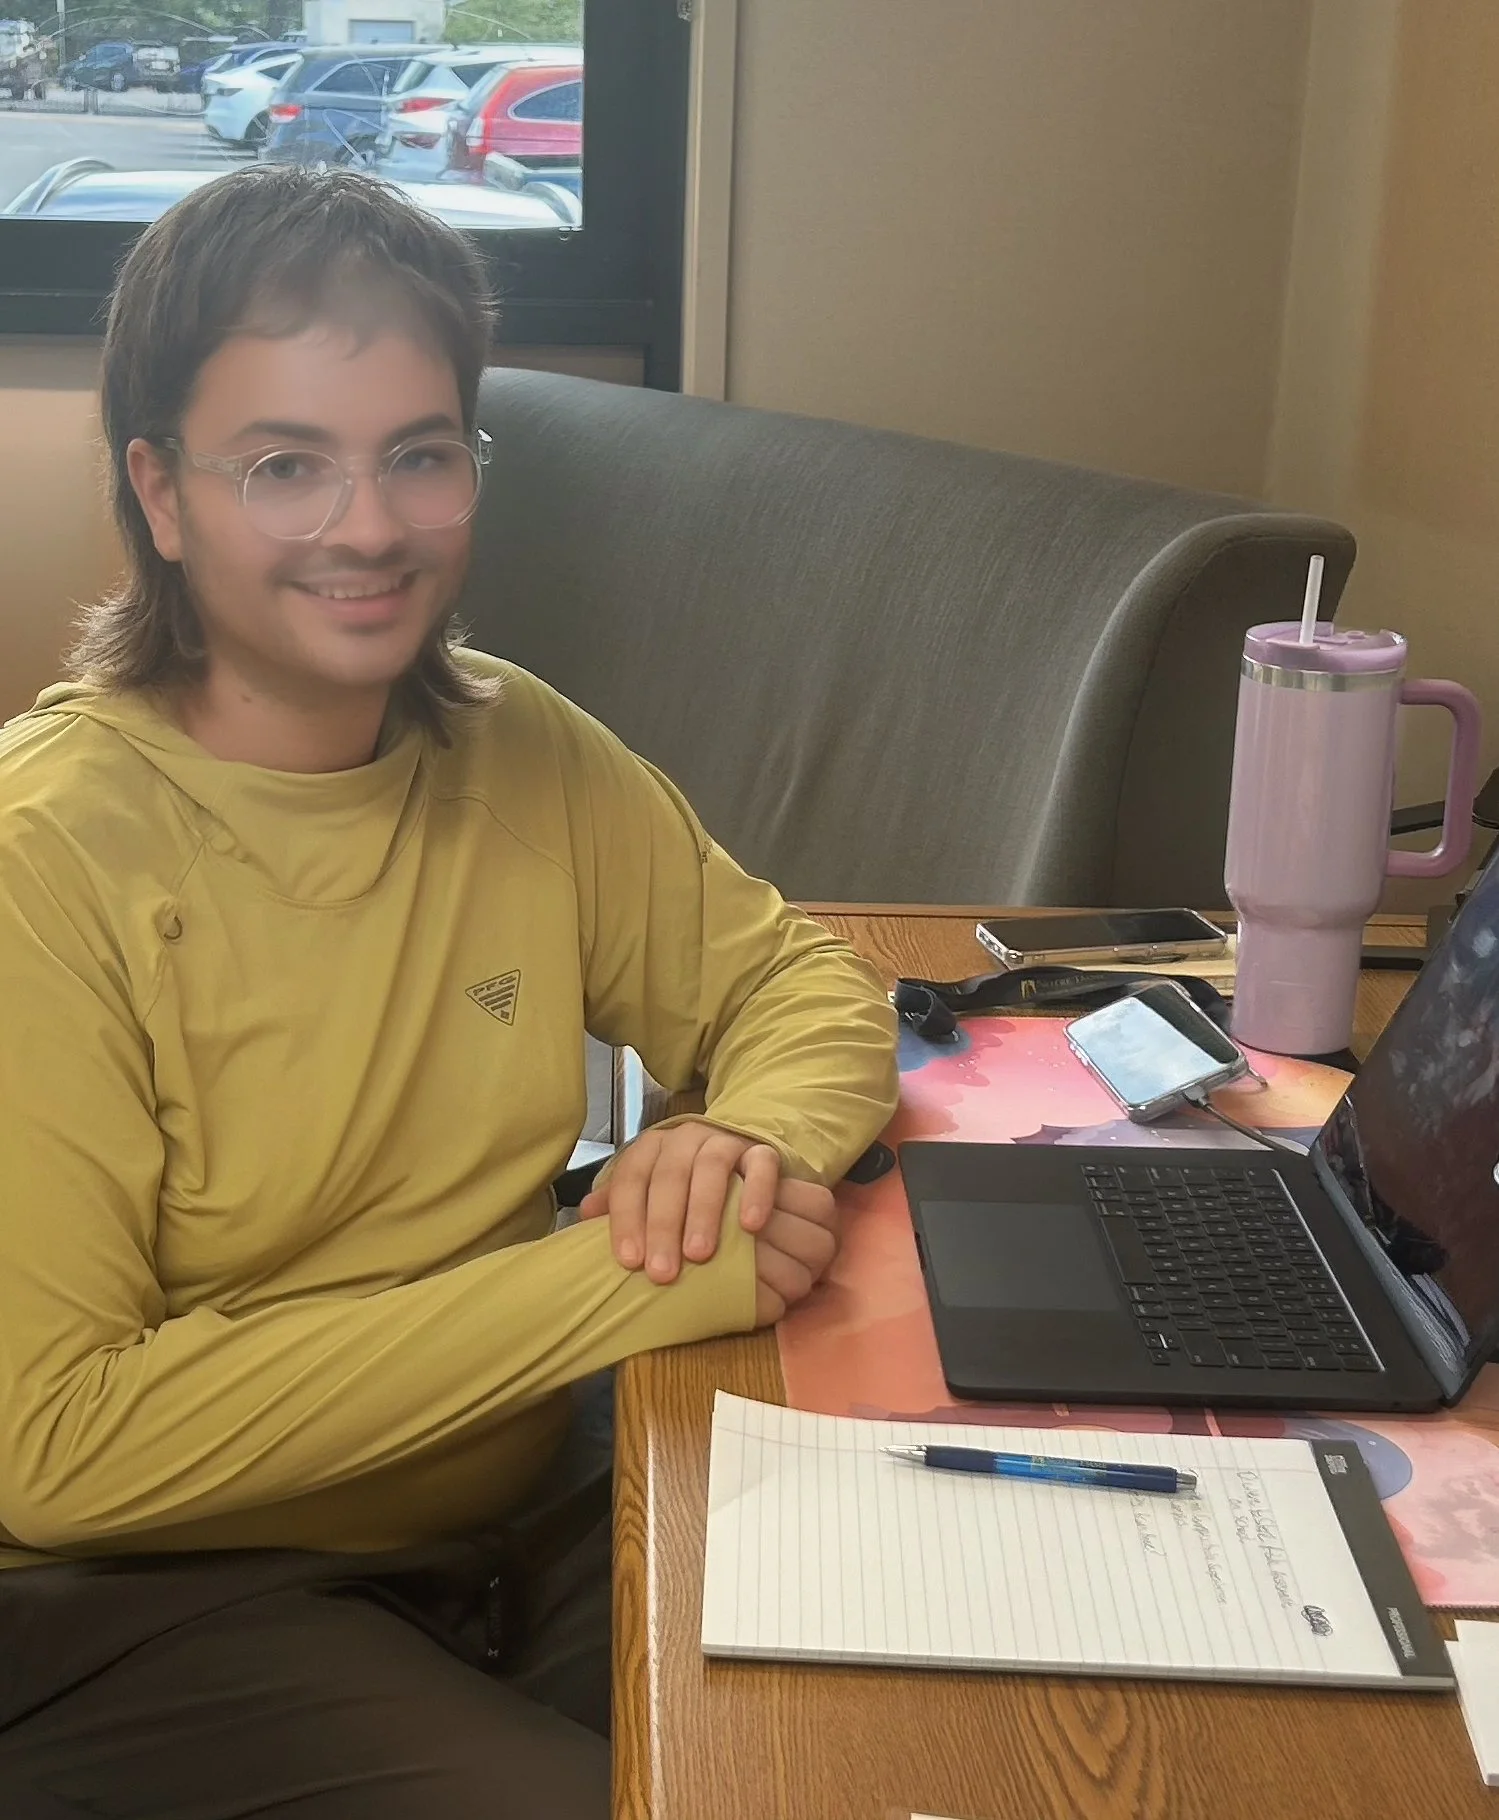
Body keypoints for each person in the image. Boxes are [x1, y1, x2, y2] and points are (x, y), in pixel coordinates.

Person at [0, 166, 899, 1819]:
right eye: (286, 466)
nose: (369, 527)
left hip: (521, 1506)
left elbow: (795, 982)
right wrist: (631, 1285)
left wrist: (744, 1140)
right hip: (160, 1602)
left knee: (886, 1729)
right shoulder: (44, 857)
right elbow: (60, 1450)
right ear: (161, 491)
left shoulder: (518, 742)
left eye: (419, 453)